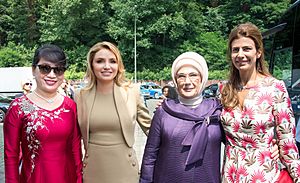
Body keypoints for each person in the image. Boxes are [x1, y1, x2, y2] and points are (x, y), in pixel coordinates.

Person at [220, 22, 300, 182]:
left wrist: (296, 176)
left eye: (246, 49)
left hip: (264, 175)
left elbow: (287, 141)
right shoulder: (224, 89)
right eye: (235, 50)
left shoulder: (275, 88)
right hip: (230, 175)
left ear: (258, 53)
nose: (240, 54)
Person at [4, 44, 83, 183]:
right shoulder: (18, 108)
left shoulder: (70, 106)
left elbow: (75, 149)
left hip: (67, 178)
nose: (52, 75)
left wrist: (79, 179)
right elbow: (11, 156)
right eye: (45, 68)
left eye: (58, 70)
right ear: (33, 69)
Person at [75, 41, 151, 183]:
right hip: (92, 172)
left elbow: (152, 131)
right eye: (100, 61)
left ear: (119, 65)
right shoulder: (79, 95)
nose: (107, 66)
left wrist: (168, 112)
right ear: (91, 65)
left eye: (112, 61)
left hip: (126, 172)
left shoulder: (132, 92)